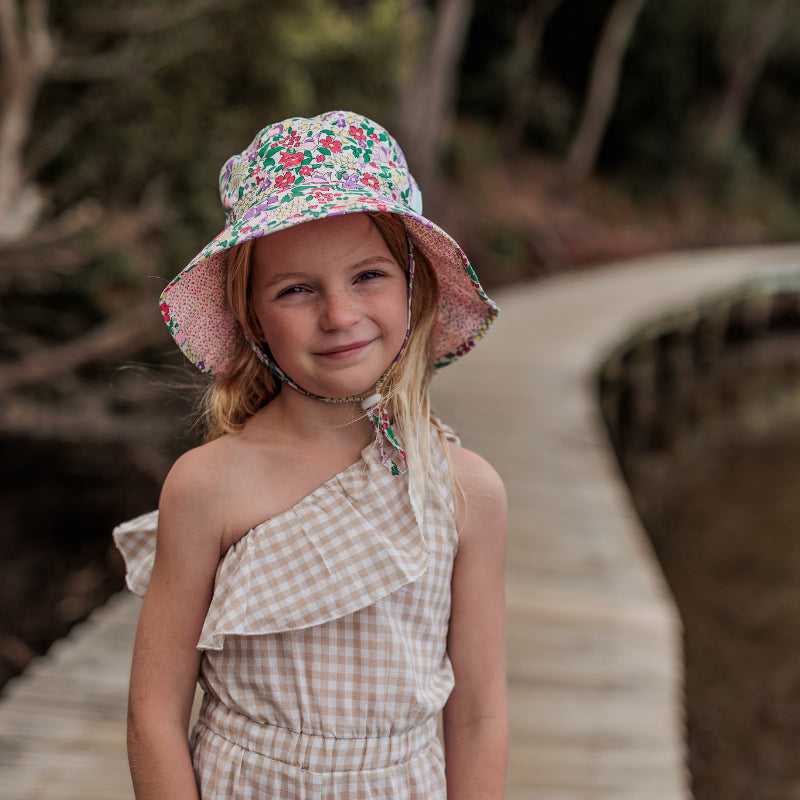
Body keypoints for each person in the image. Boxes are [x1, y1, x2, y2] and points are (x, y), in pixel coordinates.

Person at [113, 109, 508, 799]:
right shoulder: (208, 485)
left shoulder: (465, 491)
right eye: (296, 289)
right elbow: (153, 712)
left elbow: (477, 717)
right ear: (251, 317)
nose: (339, 315)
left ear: (415, 290)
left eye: (368, 276)